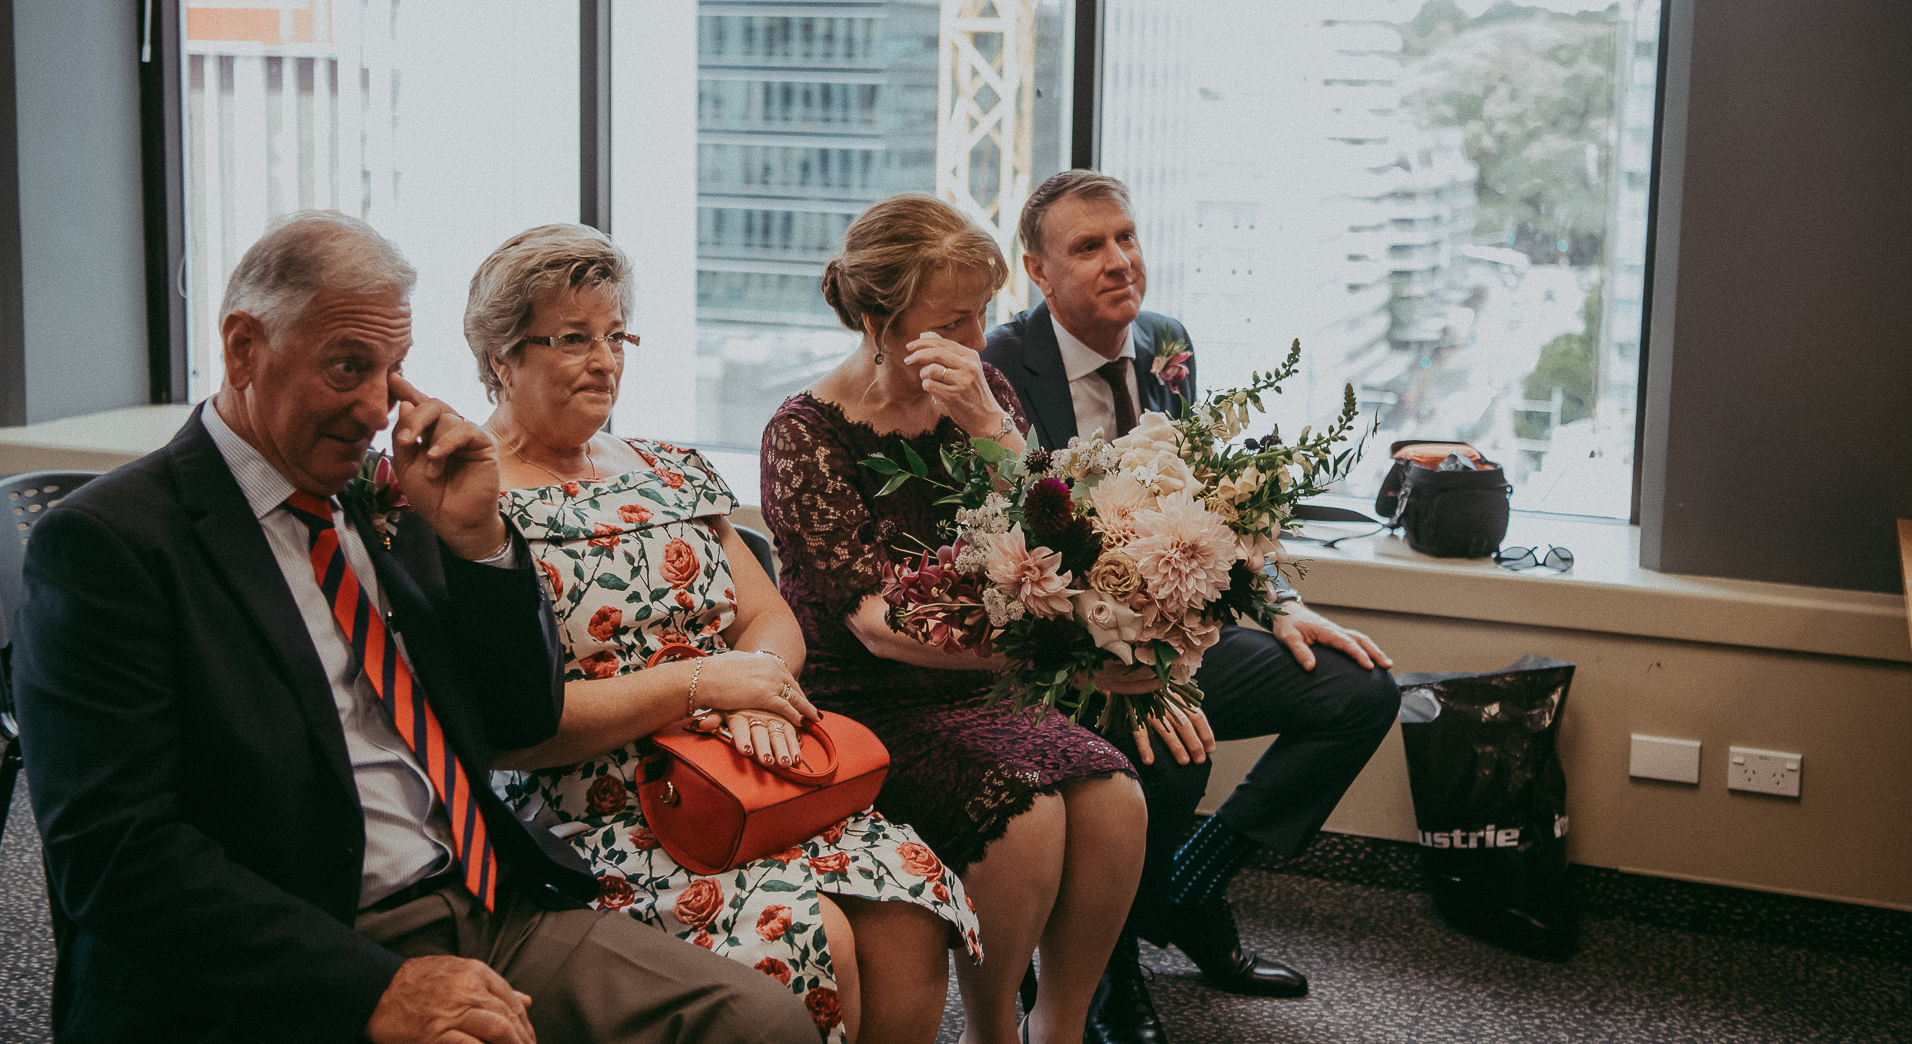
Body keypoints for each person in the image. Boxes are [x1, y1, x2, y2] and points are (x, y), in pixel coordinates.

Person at [14, 212, 817, 1044]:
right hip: (301, 942)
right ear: (244, 348)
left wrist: (480, 546)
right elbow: (117, 858)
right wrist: (369, 989)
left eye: (392, 372)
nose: (372, 410)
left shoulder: (389, 501)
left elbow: (517, 721)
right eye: (347, 368)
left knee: (761, 1024)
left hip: (483, 894)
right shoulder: (113, 543)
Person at [463, 224, 977, 1044]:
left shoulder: (669, 467)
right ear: (500, 355)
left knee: (907, 902)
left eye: (614, 336)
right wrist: (706, 685)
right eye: (572, 339)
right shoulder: (468, 503)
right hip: (603, 806)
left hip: (750, 768)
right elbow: (515, 721)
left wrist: (760, 688)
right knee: (820, 936)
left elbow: (769, 614)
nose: (605, 360)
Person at [981, 171, 1403, 1044]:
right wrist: (1128, 667)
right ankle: (1109, 971)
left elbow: (1206, 499)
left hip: (1175, 639)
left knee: (1355, 692)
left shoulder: (1168, 341)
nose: (1119, 261)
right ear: (1036, 268)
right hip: (1068, 656)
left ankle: (1192, 886)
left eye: (1126, 237)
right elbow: (1006, 549)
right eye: (1088, 247)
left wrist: (1280, 603)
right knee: (1164, 762)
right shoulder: (1001, 368)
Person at [759, 194, 1148, 1044]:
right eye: (953, 320)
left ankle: (1063, 1023)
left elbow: (1068, 536)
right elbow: (877, 622)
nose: (978, 340)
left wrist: (990, 428)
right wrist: (1063, 666)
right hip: (865, 698)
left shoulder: (984, 390)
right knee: (1028, 818)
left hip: (982, 688)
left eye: (981, 314)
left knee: (1116, 800)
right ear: (877, 319)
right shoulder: (806, 432)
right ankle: (990, 1028)